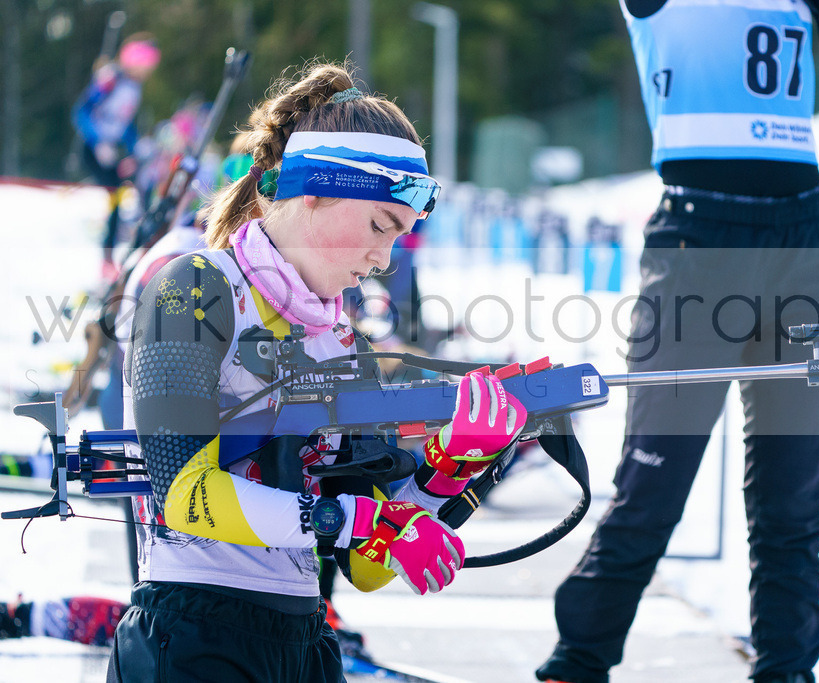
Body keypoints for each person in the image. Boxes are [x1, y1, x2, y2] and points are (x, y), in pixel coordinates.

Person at [107, 61, 527, 682]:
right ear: (314, 191)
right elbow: (184, 496)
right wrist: (367, 520)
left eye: (399, 237)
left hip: (305, 641)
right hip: (192, 633)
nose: (383, 258)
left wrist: (449, 468)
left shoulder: (342, 344)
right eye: (380, 226)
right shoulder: (195, 287)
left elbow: (366, 568)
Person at [536, 2, 819, 683]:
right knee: (654, 484)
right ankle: (578, 662)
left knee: (794, 497)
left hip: (806, 242)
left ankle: (787, 670)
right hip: (698, 241)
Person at [72, 34, 161, 280]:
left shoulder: (134, 87)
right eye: (146, 64)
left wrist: (136, 146)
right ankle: (106, 258)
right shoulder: (112, 79)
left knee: (124, 195)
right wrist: (97, 141)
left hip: (112, 150)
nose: (148, 71)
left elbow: (123, 124)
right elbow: (81, 112)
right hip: (93, 149)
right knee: (114, 195)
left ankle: (116, 254)